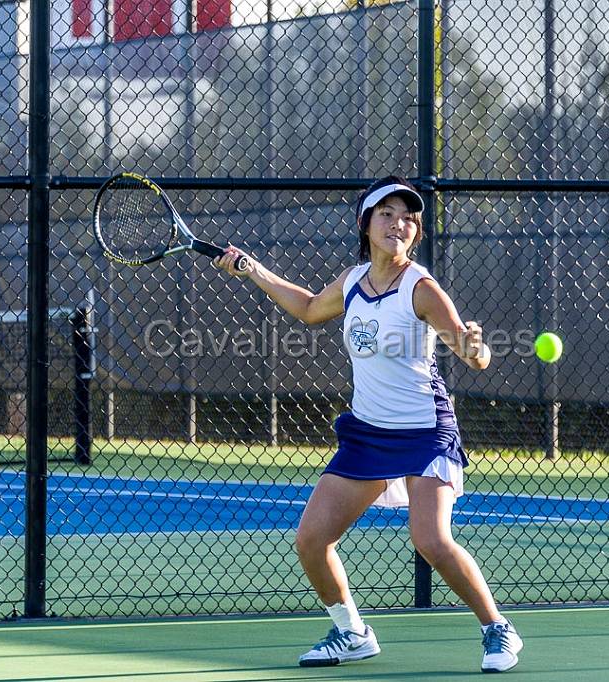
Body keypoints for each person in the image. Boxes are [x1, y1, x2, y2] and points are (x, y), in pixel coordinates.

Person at [213, 176, 523, 674]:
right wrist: (253, 270)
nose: (397, 223)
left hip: (425, 432)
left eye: (407, 217)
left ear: (415, 231)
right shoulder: (354, 281)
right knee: (311, 540)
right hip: (368, 433)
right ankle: (352, 632)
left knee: (431, 540)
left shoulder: (421, 289)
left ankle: (497, 629)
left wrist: (474, 344)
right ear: (366, 222)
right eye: (386, 213)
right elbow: (312, 309)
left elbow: (472, 354)